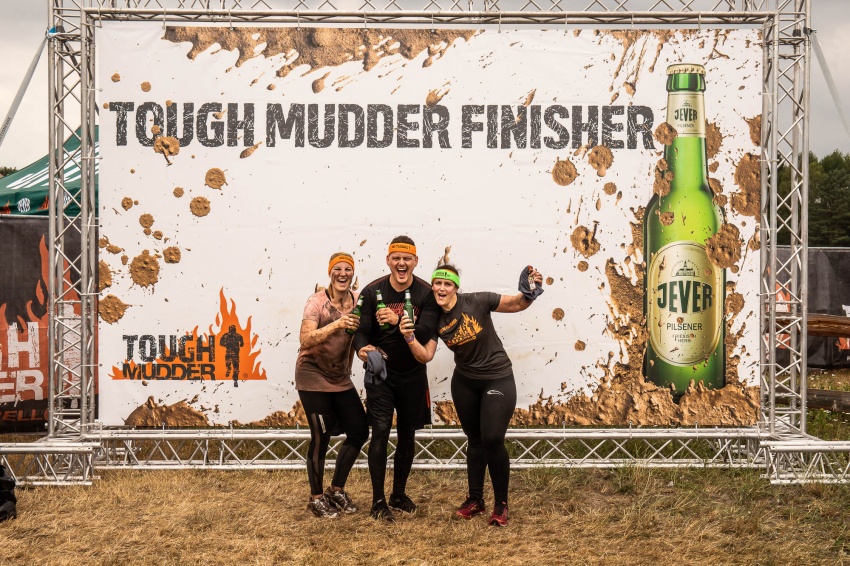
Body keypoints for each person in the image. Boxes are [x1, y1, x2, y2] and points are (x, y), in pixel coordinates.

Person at [401, 264, 543, 527]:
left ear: (455, 287)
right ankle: (475, 500)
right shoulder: (434, 318)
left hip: (497, 377)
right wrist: (409, 337)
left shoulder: (478, 301)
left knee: (492, 439)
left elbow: (517, 304)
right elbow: (426, 355)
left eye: (447, 284)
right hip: (465, 382)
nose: (441, 288)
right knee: (475, 440)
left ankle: (501, 504)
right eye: (437, 283)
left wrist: (530, 290)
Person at [353, 236, 440, 522]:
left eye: (407, 259)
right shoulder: (372, 290)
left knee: (407, 434)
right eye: (396, 258)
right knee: (380, 431)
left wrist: (397, 319)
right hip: (381, 374)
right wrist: (361, 349)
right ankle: (378, 501)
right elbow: (362, 331)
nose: (401, 263)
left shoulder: (426, 293)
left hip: (412, 375)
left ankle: (398, 494)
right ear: (388, 260)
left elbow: (426, 332)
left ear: (415, 261)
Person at [296, 252, 369, 518]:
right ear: (330, 272)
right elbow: (305, 339)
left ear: (353, 273)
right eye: (337, 269)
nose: (342, 274)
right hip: (312, 375)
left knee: (359, 431)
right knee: (321, 436)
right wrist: (337, 324)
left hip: (340, 377)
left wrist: (364, 350)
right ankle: (316, 499)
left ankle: (336, 489)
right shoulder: (317, 301)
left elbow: (365, 333)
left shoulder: (358, 301)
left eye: (347, 269)